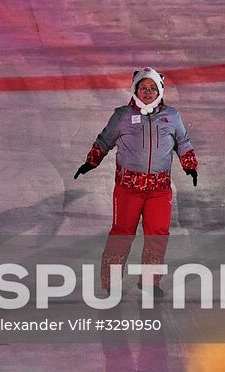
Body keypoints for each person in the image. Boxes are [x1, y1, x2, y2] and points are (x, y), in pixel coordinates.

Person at [74, 68, 197, 299]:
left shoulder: (171, 116)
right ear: (135, 89)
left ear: (160, 90)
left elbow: (183, 142)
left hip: (159, 191)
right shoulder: (122, 115)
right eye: (143, 88)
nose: (148, 92)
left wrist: (190, 165)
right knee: (122, 234)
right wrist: (92, 162)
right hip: (128, 189)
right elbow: (104, 140)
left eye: (152, 88)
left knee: (158, 235)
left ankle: (150, 282)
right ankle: (111, 283)